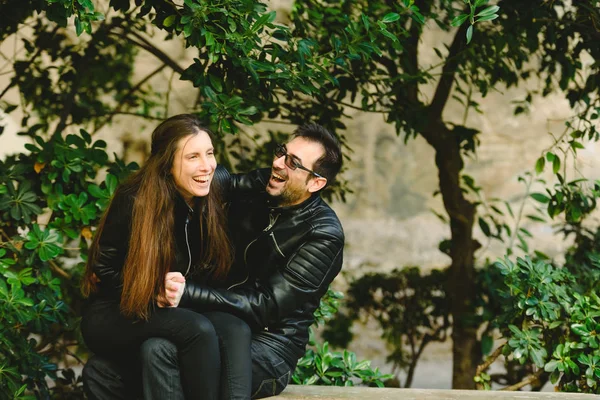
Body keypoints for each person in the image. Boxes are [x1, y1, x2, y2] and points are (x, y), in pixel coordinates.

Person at [83, 122, 345, 399]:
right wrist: (158, 184)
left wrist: (185, 292)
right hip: (212, 320)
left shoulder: (323, 234)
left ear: (316, 182)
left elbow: (265, 307)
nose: (278, 163)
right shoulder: (264, 186)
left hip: (268, 344)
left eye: (293, 162)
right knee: (103, 372)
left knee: (160, 351)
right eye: (281, 152)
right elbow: (214, 180)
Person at [80, 114, 253, 400]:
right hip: (114, 312)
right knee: (196, 328)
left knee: (235, 328)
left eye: (209, 153)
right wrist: (151, 290)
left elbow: (254, 181)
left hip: (167, 309)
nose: (207, 166)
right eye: (193, 156)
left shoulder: (205, 193)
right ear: (166, 162)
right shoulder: (135, 199)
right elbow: (103, 268)